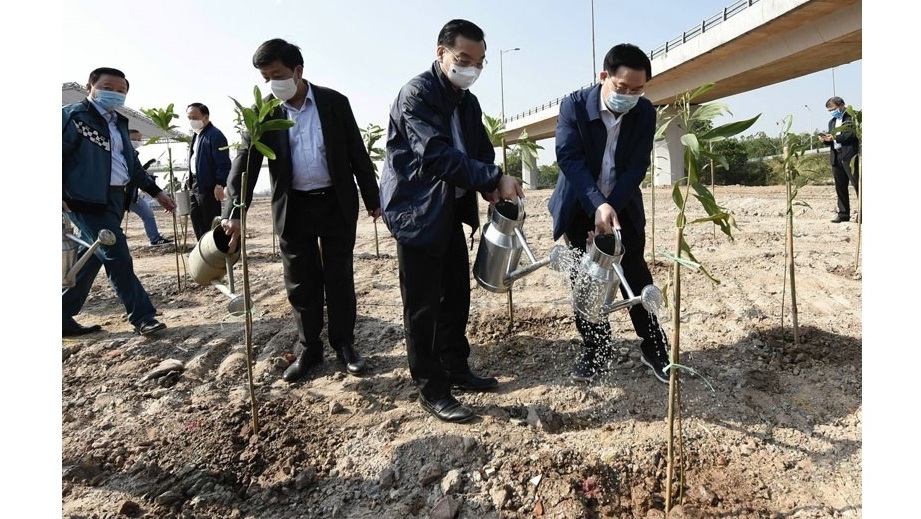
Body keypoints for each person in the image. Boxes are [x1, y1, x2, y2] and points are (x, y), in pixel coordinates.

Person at [379, 19, 524, 424]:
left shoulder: (467, 101)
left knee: (456, 295)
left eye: (478, 63)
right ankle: (432, 388)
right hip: (417, 211)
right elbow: (436, 156)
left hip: (450, 211)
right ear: (440, 53)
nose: (471, 69)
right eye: (463, 59)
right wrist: (492, 178)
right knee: (423, 305)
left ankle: (456, 368)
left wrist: (489, 184)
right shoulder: (417, 95)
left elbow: (478, 151)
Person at [221, 38, 381, 382]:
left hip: (335, 203)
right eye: (265, 77)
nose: (271, 83)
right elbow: (244, 161)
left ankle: (344, 344)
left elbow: (357, 153)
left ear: (298, 70)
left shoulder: (334, 102)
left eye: (276, 74)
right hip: (293, 208)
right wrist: (234, 209)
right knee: (300, 283)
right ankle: (309, 348)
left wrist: (374, 200)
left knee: (339, 278)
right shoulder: (266, 112)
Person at [547, 43, 670, 384]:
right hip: (579, 204)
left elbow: (636, 166)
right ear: (604, 77)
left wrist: (611, 206)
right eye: (622, 88)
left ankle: (655, 348)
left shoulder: (644, 112)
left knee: (634, 273)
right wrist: (595, 205)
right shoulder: (573, 105)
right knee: (587, 282)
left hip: (622, 203)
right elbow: (569, 158)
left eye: (638, 89)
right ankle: (595, 349)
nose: (629, 95)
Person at [62, 67, 177, 337]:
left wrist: (157, 192)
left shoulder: (119, 123)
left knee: (90, 258)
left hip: (115, 199)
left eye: (121, 91)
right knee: (117, 255)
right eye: (108, 88)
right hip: (85, 199)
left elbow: (132, 166)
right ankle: (143, 316)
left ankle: (59, 315)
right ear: (90, 86)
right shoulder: (72, 117)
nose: (114, 94)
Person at [186, 103, 231, 240]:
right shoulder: (197, 135)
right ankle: (202, 250)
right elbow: (195, 159)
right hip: (195, 185)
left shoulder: (215, 135)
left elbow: (223, 162)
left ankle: (213, 252)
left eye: (195, 117)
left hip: (209, 186)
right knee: (196, 219)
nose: (191, 121)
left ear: (205, 117)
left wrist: (220, 183)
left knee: (210, 222)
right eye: (189, 118)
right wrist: (190, 176)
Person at [127, 129, 172, 246]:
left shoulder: (133, 155)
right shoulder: (119, 153)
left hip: (132, 195)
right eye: (134, 139)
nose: (137, 142)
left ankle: (155, 238)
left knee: (148, 215)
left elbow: (140, 173)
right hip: (119, 195)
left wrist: (157, 193)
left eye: (139, 140)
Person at [819, 96, 859, 223]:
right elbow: (832, 141)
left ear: (841, 105)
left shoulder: (851, 118)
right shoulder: (832, 122)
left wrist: (835, 137)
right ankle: (843, 214)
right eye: (829, 110)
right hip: (836, 156)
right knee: (840, 187)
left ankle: (863, 214)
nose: (832, 112)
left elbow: (853, 135)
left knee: (858, 185)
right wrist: (826, 140)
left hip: (850, 156)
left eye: (833, 109)